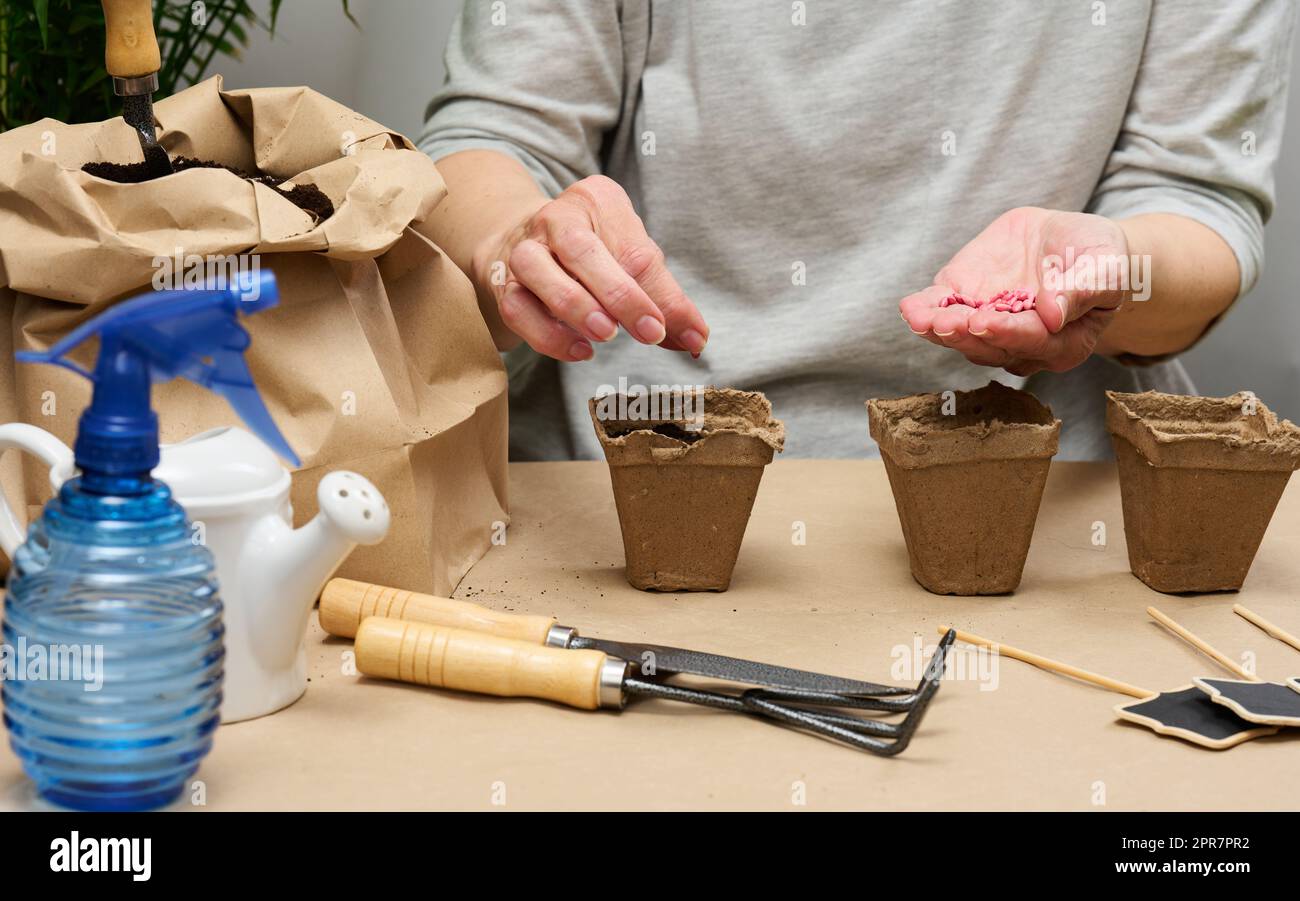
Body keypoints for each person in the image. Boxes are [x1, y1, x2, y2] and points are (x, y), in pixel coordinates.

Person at [419, 0, 1296, 460]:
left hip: (1051, 502)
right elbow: (493, 136)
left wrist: (1113, 268)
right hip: (615, 475)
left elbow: (1194, 197)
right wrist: (513, 241)